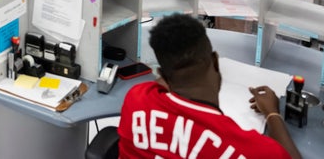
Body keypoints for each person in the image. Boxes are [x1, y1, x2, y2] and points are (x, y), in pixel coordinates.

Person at [118, 13, 301, 159]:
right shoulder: (253, 150)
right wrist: (272, 114)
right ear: (215, 61)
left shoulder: (136, 99)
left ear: (164, 76)